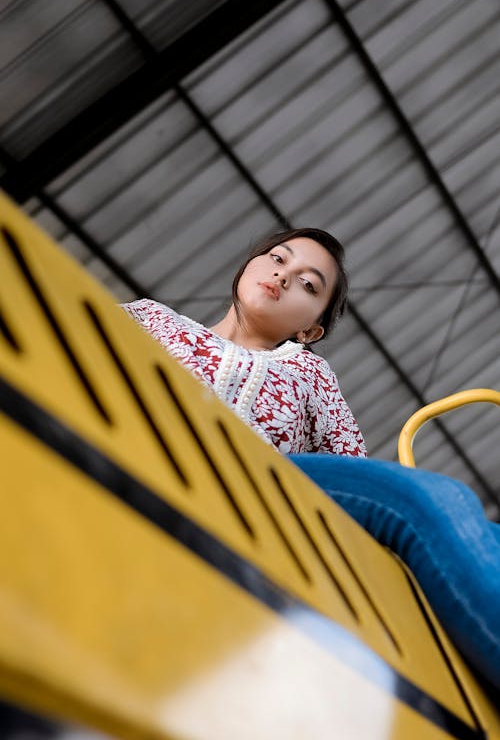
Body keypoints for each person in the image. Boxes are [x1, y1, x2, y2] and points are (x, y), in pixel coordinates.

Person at [122, 227, 500, 693]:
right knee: (433, 497)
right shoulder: (149, 321)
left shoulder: (310, 373)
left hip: (270, 491)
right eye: (278, 259)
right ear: (250, 266)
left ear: (310, 330)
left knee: (465, 520)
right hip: (157, 463)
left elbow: (354, 467)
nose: (283, 275)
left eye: (308, 284)